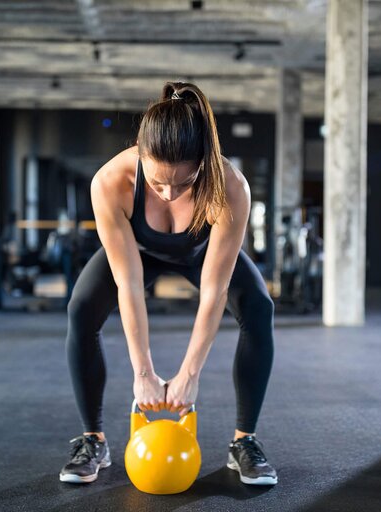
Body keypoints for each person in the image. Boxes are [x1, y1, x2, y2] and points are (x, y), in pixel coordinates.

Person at [60, 82, 277, 486]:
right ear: (141, 156)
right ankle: (94, 439)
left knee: (259, 308)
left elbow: (213, 292)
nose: (169, 193)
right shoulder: (109, 182)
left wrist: (190, 373)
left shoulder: (231, 188)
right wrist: (143, 371)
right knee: (81, 309)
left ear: (203, 164)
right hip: (137, 252)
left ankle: (243, 442)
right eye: (158, 183)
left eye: (183, 183)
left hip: (200, 253)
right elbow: (129, 284)